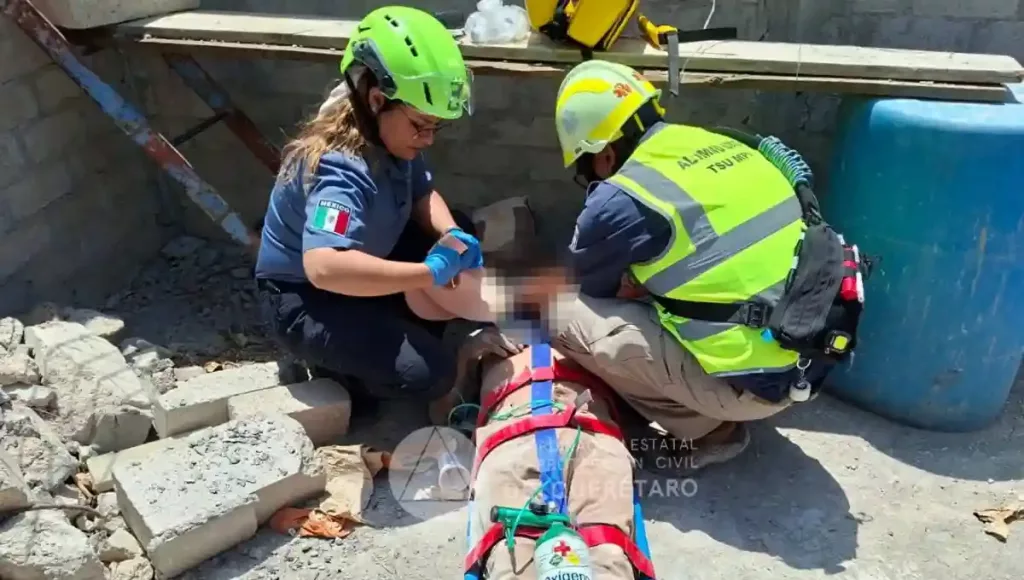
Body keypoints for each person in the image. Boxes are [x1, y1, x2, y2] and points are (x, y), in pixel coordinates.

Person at [541, 59, 842, 473]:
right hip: (809, 354)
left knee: (558, 310)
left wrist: (633, 283)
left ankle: (709, 430)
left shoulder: (621, 198)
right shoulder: (722, 142)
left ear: (605, 155)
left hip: (757, 385)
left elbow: (590, 286)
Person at [253, 6, 519, 425]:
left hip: (363, 254)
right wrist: (427, 273)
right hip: (307, 297)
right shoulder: (338, 170)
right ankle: (336, 370)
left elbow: (420, 191)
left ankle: (395, 326)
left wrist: (450, 235)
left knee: (459, 230)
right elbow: (324, 267)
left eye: (435, 126)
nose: (428, 138)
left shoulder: (386, 131)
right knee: (430, 373)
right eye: (421, 126)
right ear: (377, 99)